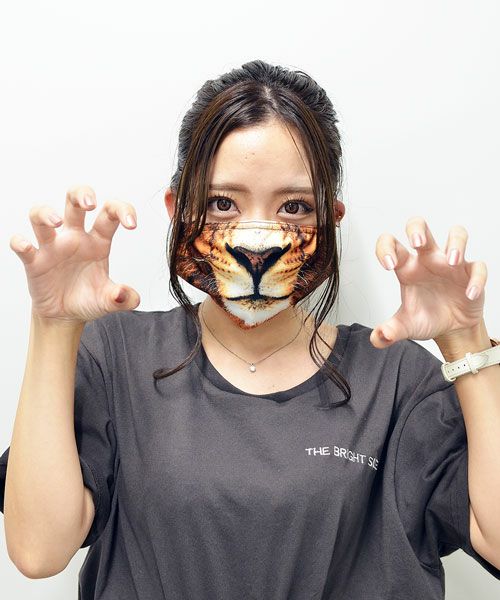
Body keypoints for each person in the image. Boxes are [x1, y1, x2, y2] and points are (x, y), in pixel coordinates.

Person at [0, 58, 499, 599]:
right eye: (222, 203)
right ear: (177, 208)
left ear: (330, 219)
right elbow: (37, 551)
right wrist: (53, 324)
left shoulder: (398, 379)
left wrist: (465, 339)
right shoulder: (116, 356)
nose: (257, 242)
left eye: (293, 206)